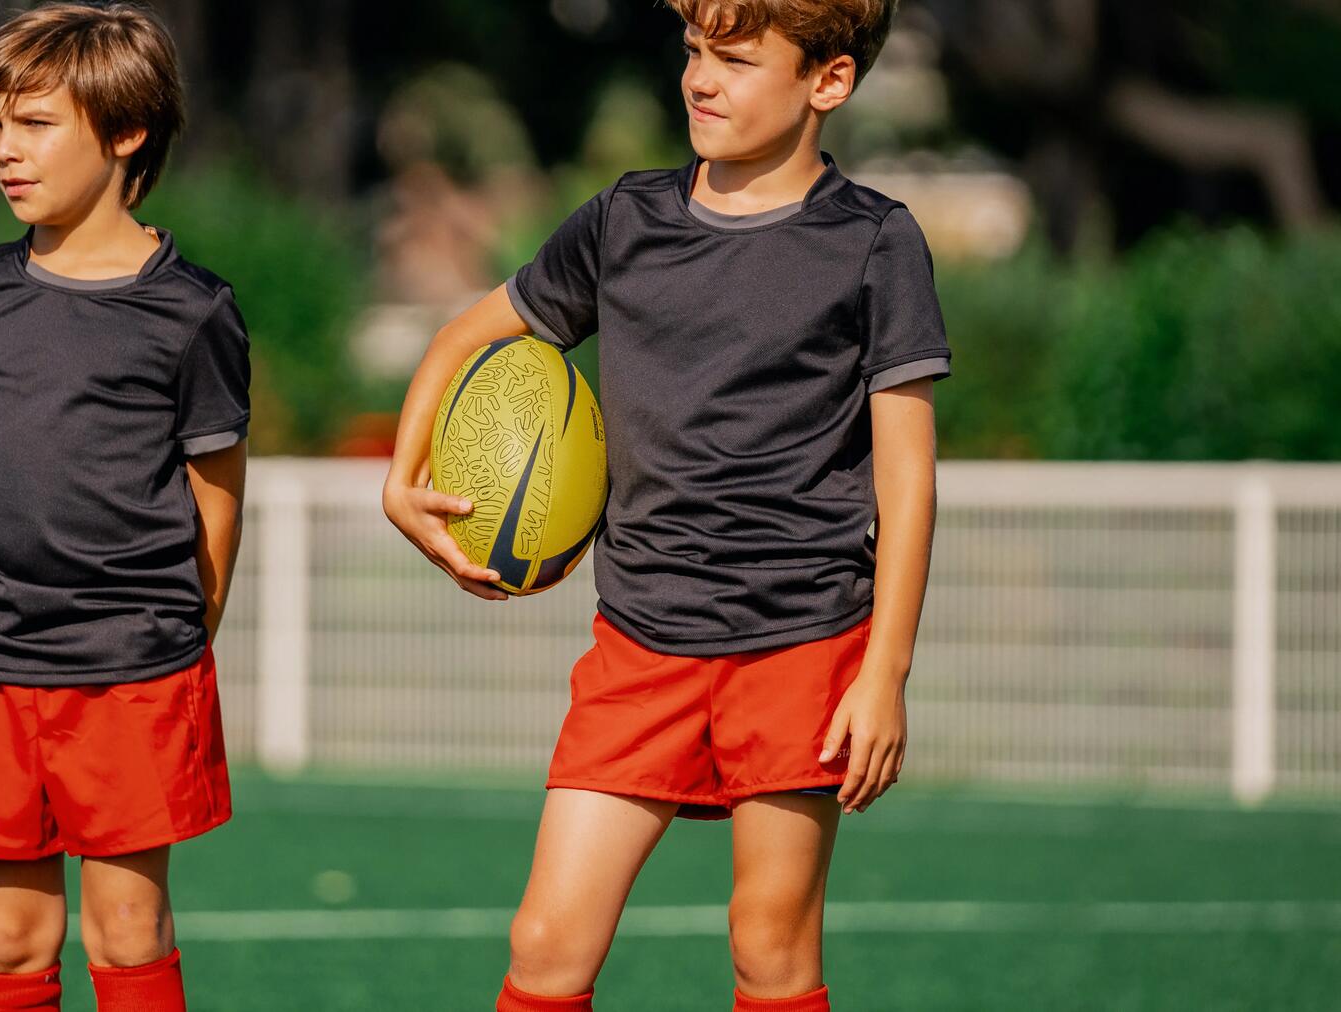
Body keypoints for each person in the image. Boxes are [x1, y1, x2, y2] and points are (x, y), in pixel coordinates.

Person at [382, 1, 948, 1008]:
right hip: (639, 646)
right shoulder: (623, 221)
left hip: (801, 646)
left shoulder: (873, 242)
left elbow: (907, 477)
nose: (700, 78)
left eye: (736, 59)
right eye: (693, 50)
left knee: (769, 948)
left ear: (829, 80)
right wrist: (402, 475)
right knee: (546, 943)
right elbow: (464, 335)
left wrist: (885, 673)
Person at [0, 4, 249, 1009]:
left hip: (132, 672)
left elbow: (218, 497)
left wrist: (179, 636)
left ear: (126, 131)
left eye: (34, 123)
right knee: (9, 938)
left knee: (129, 929)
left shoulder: (193, 308)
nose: (5, 150)